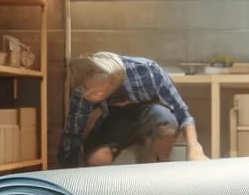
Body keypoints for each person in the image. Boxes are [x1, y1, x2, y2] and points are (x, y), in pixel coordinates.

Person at [57, 52, 208, 167]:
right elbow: (73, 134)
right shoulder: (83, 87)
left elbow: (182, 111)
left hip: (150, 116)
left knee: (167, 128)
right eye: (85, 90)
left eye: (97, 92)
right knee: (97, 158)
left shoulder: (147, 71)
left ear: (112, 81)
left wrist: (195, 148)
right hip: (114, 120)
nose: (88, 94)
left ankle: (162, 169)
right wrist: (67, 170)